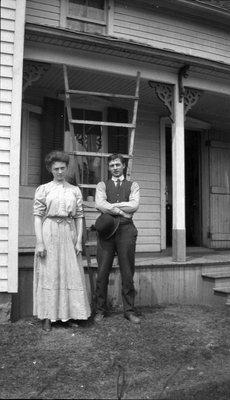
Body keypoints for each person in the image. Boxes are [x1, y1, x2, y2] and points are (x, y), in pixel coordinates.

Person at [33, 150, 91, 332]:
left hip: (68, 231)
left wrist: (79, 241)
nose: (59, 172)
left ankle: (68, 315)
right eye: (56, 168)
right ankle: (48, 316)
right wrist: (40, 242)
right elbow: (37, 216)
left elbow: (79, 216)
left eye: (63, 168)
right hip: (49, 230)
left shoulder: (74, 190)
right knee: (50, 273)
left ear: (67, 168)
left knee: (69, 273)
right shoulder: (44, 189)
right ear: (50, 169)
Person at [94, 153, 140, 324]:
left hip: (126, 231)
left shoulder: (133, 185)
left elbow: (135, 205)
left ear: (124, 166)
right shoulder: (102, 185)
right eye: (112, 165)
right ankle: (100, 310)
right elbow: (99, 204)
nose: (115, 168)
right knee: (102, 272)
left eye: (117, 165)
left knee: (127, 272)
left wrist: (111, 207)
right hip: (106, 231)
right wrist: (122, 211)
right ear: (108, 167)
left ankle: (129, 310)